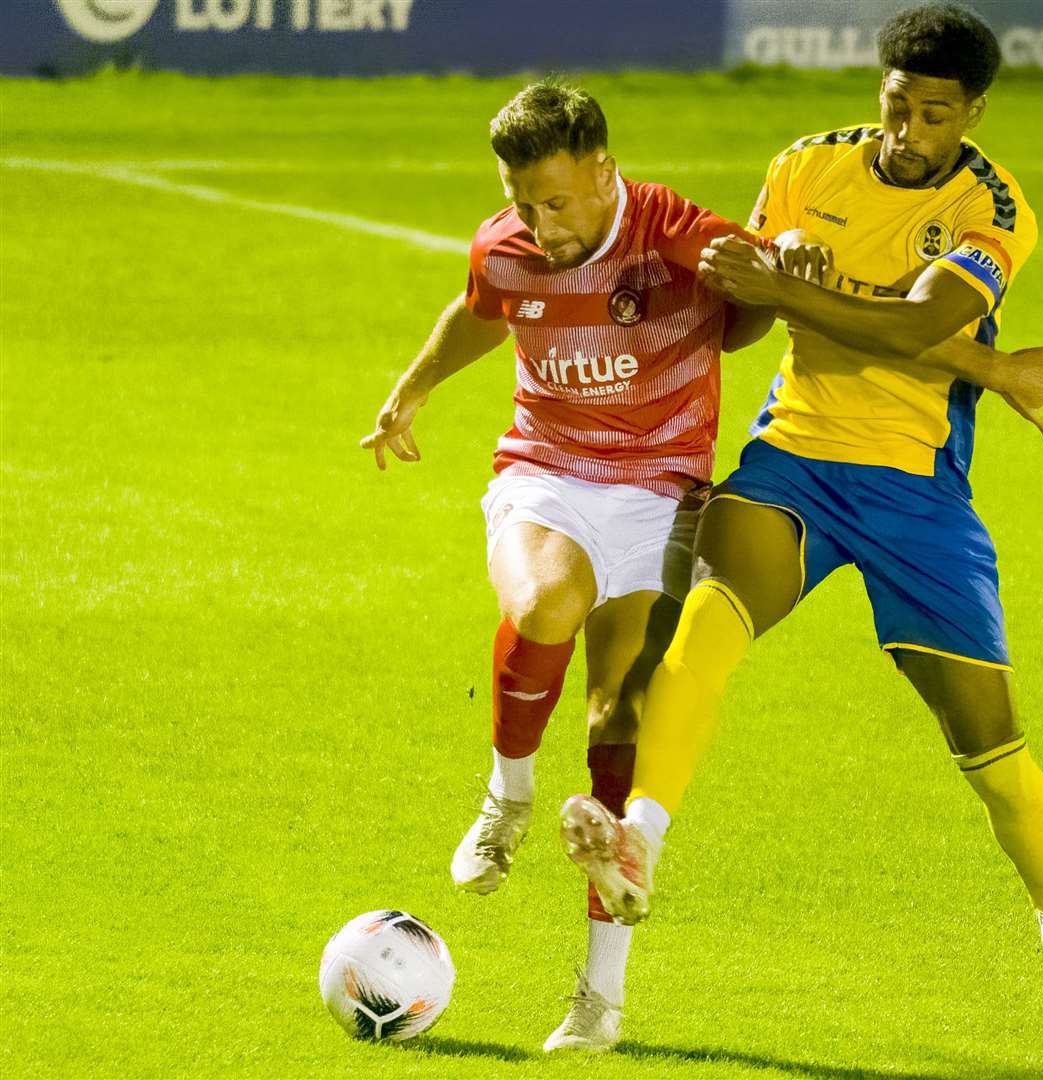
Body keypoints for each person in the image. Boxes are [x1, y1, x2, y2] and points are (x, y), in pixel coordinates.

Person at [558, 3, 1043, 1031]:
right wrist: (750, 286)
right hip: (794, 454)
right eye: (895, 106)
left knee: (994, 751)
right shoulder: (807, 165)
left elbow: (919, 324)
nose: (908, 132)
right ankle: (634, 859)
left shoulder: (994, 208)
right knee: (705, 624)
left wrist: (806, 291)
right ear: (876, 89)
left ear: (971, 112)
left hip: (917, 492)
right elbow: (745, 317)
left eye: (934, 115)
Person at [358, 78, 778, 1053]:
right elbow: (483, 306)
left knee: (616, 729)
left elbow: (755, 308)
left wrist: (758, 279)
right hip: (547, 473)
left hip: (663, 493)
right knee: (547, 601)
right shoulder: (504, 243)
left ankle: (599, 1000)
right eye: (521, 200)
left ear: (602, 170)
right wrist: (408, 392)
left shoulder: (675, 232)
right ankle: (506, 798)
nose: (538, 223)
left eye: (555, 200)